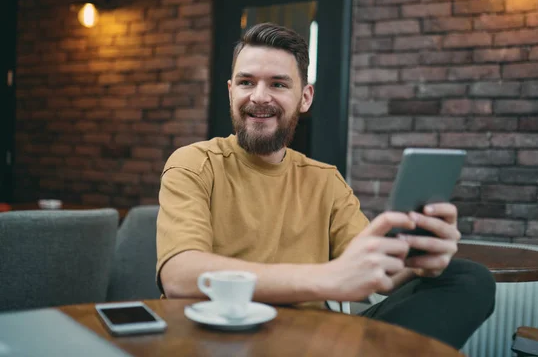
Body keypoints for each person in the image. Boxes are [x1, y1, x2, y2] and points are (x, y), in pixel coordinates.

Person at [156, 23, 495, 350]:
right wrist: (327, 278)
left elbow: (379, 275)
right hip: (221, 338)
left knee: (468, 279)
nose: (259, 97)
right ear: (231, 92)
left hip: (312, 342)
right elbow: (180, 277)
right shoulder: (194, 163)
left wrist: (421, 260)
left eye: (277, 84)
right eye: (246, 82)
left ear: (305, 97)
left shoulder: (324, 180)